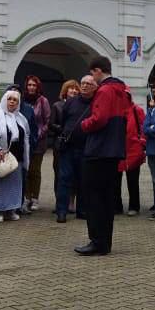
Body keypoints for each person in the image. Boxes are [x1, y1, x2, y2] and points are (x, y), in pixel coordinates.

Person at [76, 56, 128, 256]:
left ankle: (97, 241)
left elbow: (99, 119)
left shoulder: (105, 90)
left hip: (99, 149)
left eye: (92, 73)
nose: (91, 77)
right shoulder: (121, 90)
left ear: (97, 71)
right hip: (114, 149)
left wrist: (83, 125)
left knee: (94, 197)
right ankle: (105, 242)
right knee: (106, 198)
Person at [0, 89, 30, 224]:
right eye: (10, 99)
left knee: (15, 185)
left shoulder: (20, 117)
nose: (12, 102)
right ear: (4, 99)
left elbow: (26, 136)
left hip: (17, 156)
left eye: (15, 100)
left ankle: (11, 210)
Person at [55, 76, 94, 223]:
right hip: (68, 148)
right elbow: (64, 121)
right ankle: (61, 211)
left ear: (94, 87)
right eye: (83, 83)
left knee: (84, 181)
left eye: (88, 84)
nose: (84, 86)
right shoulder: (70, 102)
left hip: (86, 148)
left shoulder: (95, 103)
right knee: (64, 180)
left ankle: (82, 211)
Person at [22, 75, 50, 213]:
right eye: (29, 85)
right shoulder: (22, 100)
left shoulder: (43, 101)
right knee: (25, 169)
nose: (31, 87)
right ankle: (26, 197)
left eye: (34, 85)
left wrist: (39, 134)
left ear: (38, 87)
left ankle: (35, 198)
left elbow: (47, 121)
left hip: (38, 142)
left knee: (35, 170)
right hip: (25, 141)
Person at [117, 93, 146, 216]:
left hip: (134, 150)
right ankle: (116, 206)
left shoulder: (137, 110)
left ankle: (134, 206)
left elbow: (143, 127)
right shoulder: (116, 111)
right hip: (117, 150)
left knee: (133, 180)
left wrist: (142, 142)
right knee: (115, 181)